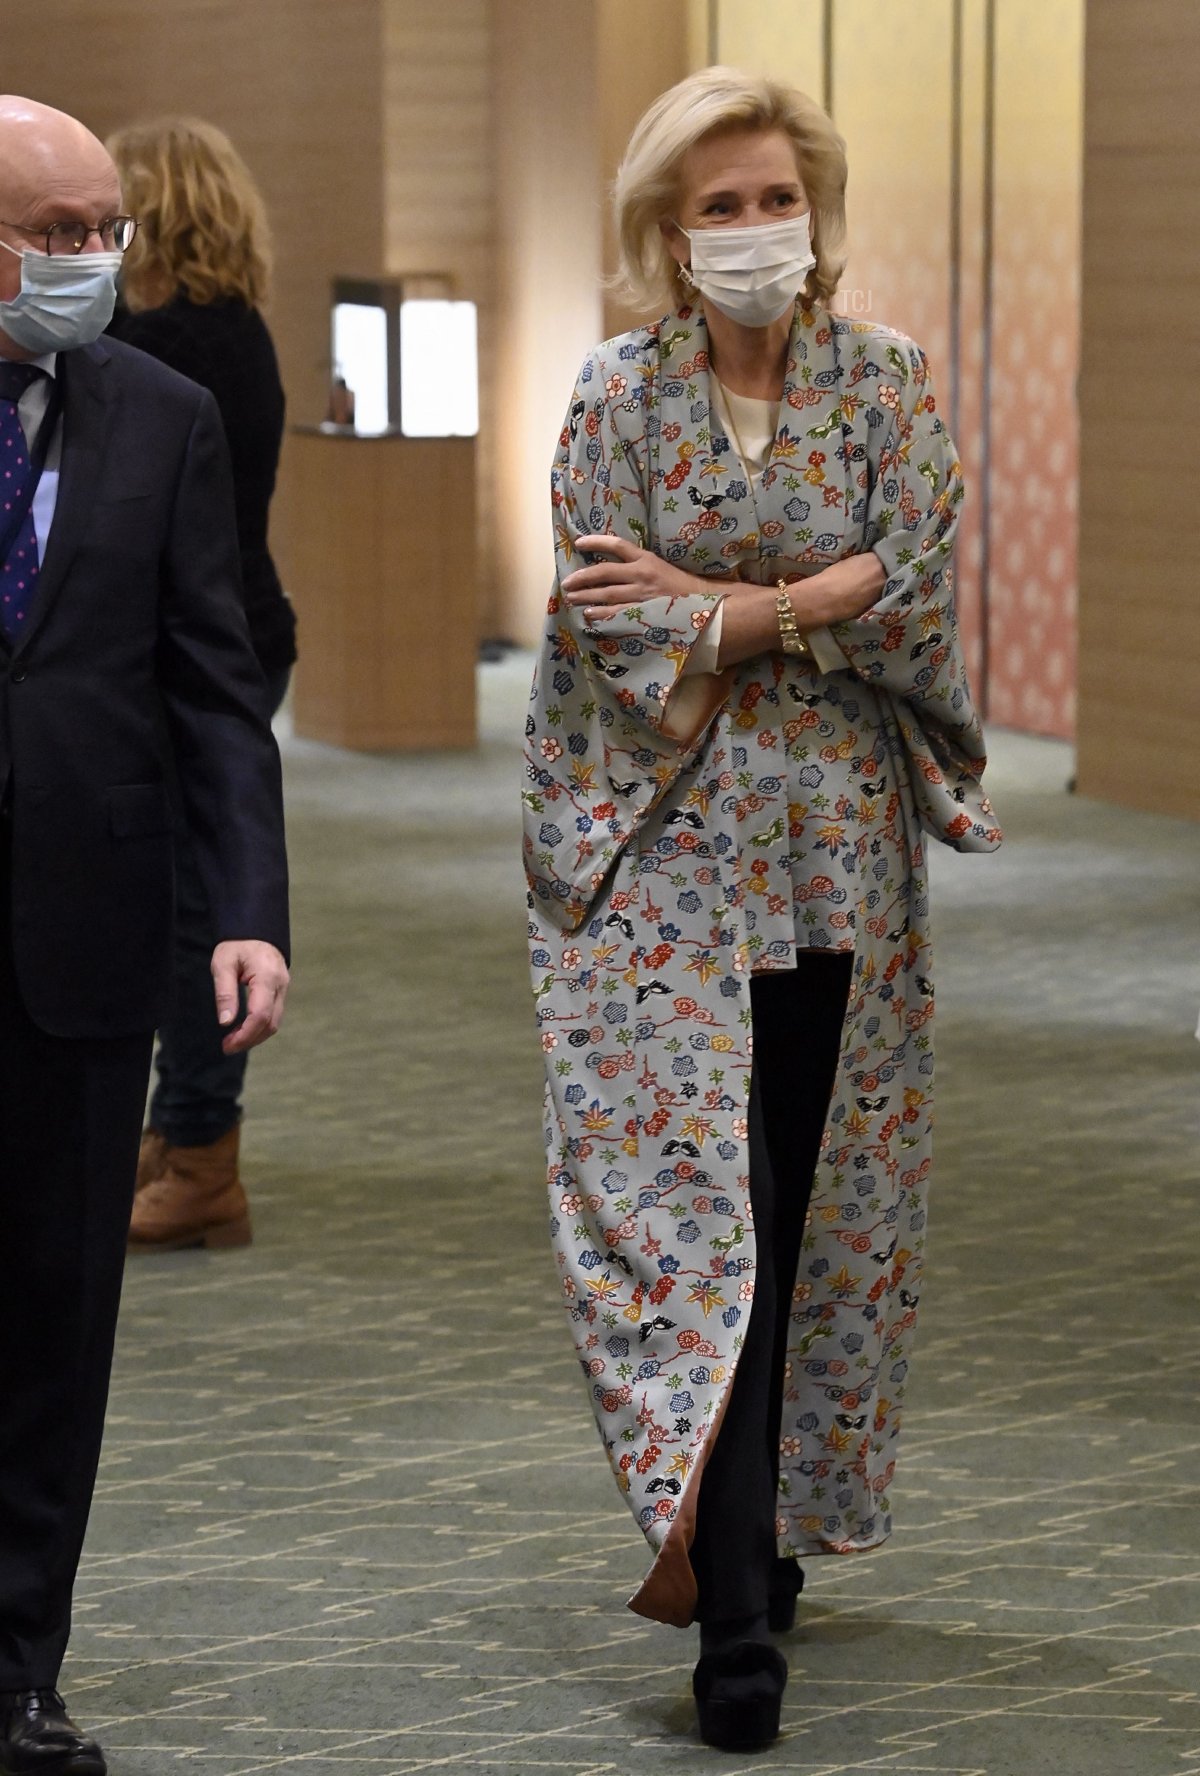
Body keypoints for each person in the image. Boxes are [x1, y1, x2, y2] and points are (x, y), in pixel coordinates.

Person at [522, 66, 1001, 1753]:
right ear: (668, 233)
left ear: (818, 213)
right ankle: (729, 1607)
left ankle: (770, 1522)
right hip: (663, 859)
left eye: (774, 200)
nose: (751, 231)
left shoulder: (887, 382)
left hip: (840, 856)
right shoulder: (617, 394)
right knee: (694, 1210)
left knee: (804, 1201)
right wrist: (812, 600)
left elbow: (919, 588)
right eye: (717, 207)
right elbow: (604, 616)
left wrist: (722, 605)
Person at [0, 96, 289, 1776]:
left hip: (87, 931)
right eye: (57, 233)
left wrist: (245, 910)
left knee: (56, 1316)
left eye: (104, 228)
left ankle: (19, 1670)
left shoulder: (164, 415)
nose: (92, 259)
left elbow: (214, 687)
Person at [105, 116, 296, 1252]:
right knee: (181, 903)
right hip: (235, 634)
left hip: (197, 654)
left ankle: (200, 1151)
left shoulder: (171, 345)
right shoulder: (234, 329)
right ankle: (177, 1129)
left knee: (190, 919)